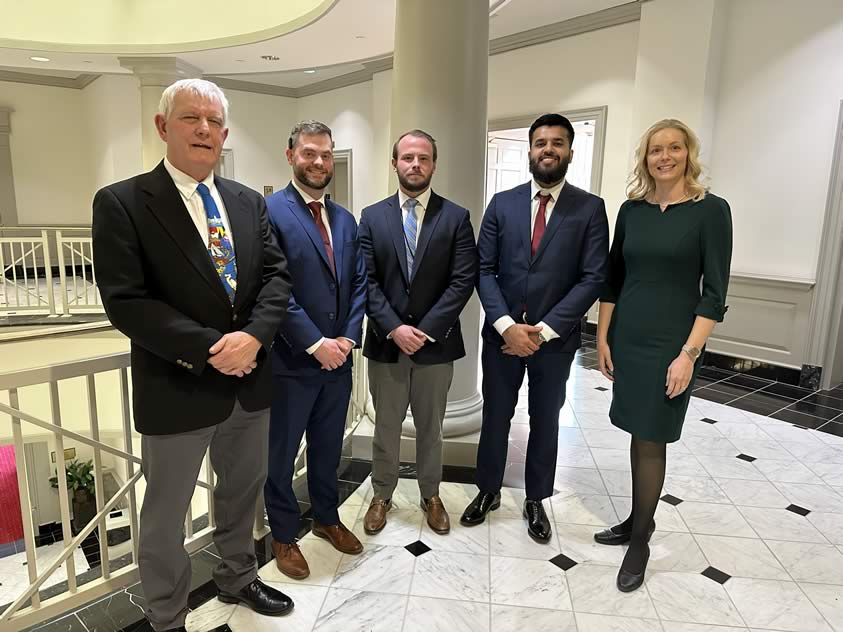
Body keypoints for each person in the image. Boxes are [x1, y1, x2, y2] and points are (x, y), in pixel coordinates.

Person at [92, 79, 294, 631]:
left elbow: (276, 278)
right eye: (189, 118)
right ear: (163, 127)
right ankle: (166, 616)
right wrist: (210, 349)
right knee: (165, 516)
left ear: (225, 134)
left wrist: (252, 338)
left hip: (248, 382)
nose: (203, 129)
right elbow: (127, 301)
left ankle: (237, 575)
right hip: (177, 388)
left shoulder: (249, 202)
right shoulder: (122, 202)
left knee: (241, 493)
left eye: (213, 122)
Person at [593, 118, 732, 592]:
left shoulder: (711, 211)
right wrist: (603, 337)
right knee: (638, 430)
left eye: (674, 148)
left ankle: (640, 542)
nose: (665, 156)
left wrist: (689, 354)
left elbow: (714, 293)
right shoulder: (633, 211)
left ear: (688, 154)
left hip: (673, 343)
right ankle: (639, 519)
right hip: (629, 337)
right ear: (646, 158)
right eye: (656, 150)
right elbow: (613, 279)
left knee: (653, 436)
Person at [462, 113, 609, 543]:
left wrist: (542, 331)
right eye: (541, 142)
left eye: (557, 143)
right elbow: (482, 269)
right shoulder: (501, 204)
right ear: (530, 150)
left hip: (554, 342)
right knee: (496, 416)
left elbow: (593, 277)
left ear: (569, 152)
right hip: (502, 337)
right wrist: (507, 326)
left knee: (545, 420)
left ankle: (535, 499)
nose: (549, 149)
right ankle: (487, 490)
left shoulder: (589, 208)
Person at [359, 129, 477, 536]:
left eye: (423, 158)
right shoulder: (372, 217)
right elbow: (366, 280)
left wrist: (423, 331)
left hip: (435, 345)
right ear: (394, 163)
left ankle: (431, 495)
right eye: (407, 157)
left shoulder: (456, 217)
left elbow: (462, 281)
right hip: (386, 345)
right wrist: (394, 328)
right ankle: (381, 494)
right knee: (386, 426)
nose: (414, 165)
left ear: (433, 165)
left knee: (432, 428)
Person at [263, 120, 367, 579]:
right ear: (291, 156)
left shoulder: (345, 219)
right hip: (290, 362)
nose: (319, 162)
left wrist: (345, 338)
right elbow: (273, 287)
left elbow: (359, 283)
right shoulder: (269, 212)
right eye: (309, 153)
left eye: (325, 154)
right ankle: (284, 536)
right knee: (281, 456)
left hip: (338, 362)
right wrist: (314, 342)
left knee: (328, 447)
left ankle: (326, 518)